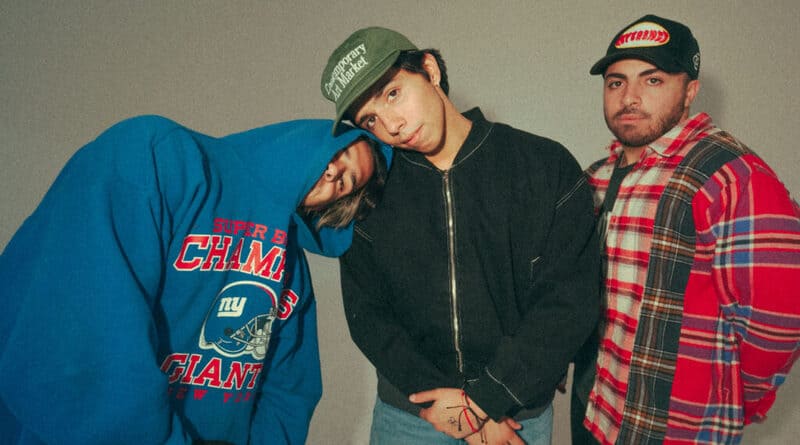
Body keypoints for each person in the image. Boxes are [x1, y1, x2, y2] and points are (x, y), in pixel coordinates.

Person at [0, 115, 391, 445]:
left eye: (345, 182)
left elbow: (290, 389)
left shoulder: (291, 268)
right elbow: (81, 338)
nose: (334, 171)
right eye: (340, 152)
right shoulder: (156, 155)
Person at [320, 27, 600, 444]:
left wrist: (487, 402)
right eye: (370, 120)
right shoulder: (370, 193)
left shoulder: (543, 165)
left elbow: (568, 302)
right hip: (411, 417)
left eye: (392, 94)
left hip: (513, 417)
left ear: (429, 70)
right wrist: (447, 408)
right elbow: (370, 317)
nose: (392, 125)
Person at [576, 14, 800, 445]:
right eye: (616, 82)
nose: (630, 97)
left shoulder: (731, 176)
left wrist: (736, 397)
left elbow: (779, 321)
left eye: (653, 80)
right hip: (597, 413)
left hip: (677, 429)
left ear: (690, 91)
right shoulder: (597, 176)